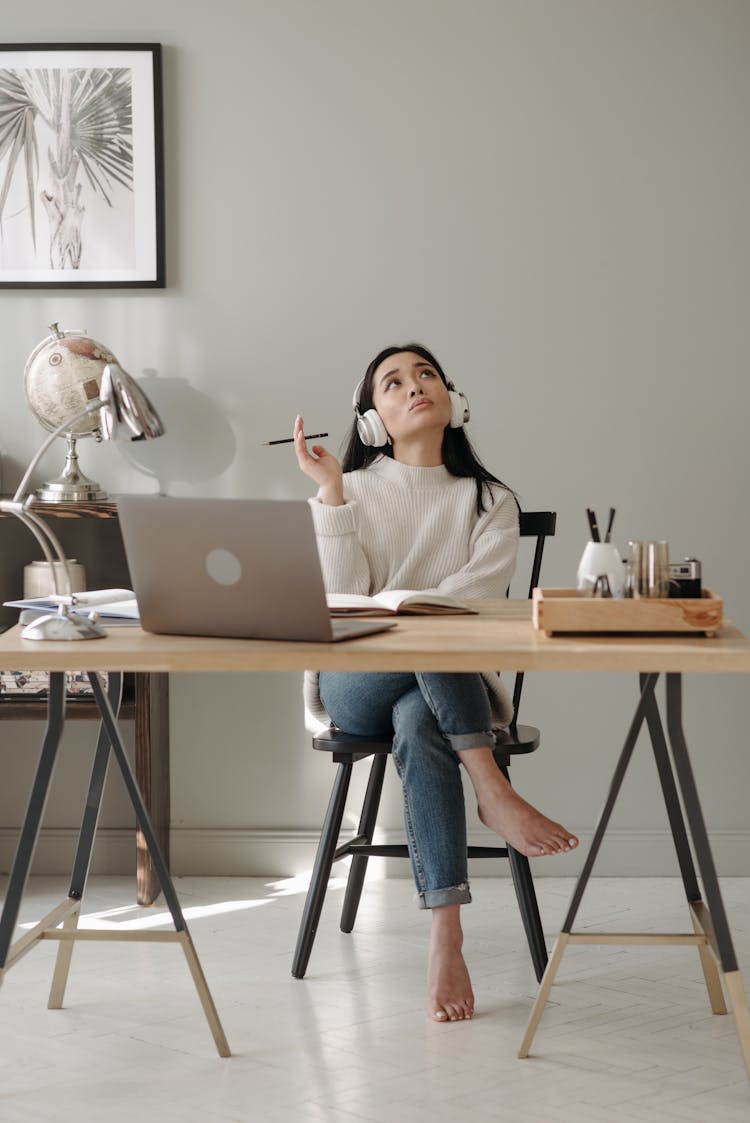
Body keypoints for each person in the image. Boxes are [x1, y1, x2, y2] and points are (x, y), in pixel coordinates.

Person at [293, 343, 578, 1024]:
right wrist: (332, 494)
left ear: (454, 398)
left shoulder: (489, 499)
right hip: (355, 682)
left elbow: (468, 612)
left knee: (423, 716)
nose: (415, 386)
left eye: (426, 374)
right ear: (372, 421)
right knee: (427, 645)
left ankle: (445, 935)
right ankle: (493, 787)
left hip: (444, 690)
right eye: (393, 382)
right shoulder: (350, 491)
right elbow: (338, 603)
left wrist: (407, 608)